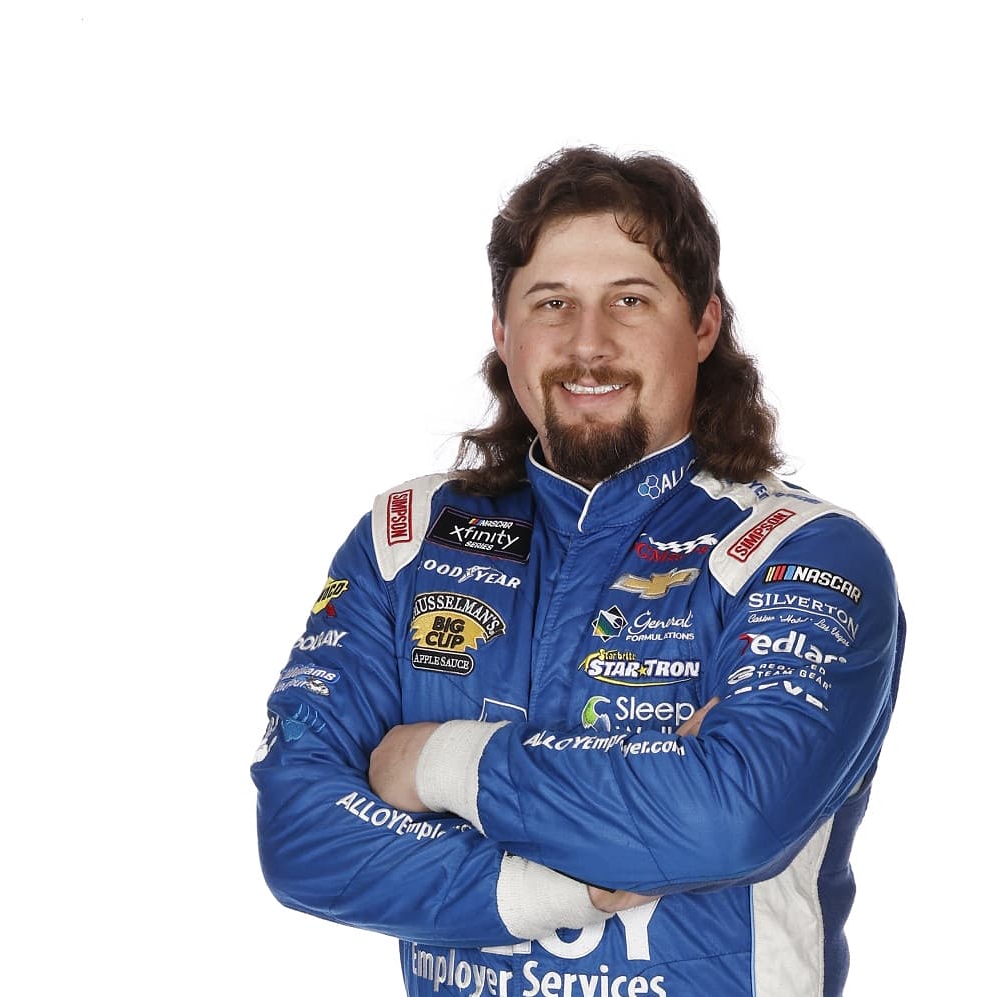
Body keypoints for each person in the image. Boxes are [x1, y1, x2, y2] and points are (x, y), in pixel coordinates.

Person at [252, 146, 906, 997]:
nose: (587, 344)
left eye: (630, 301)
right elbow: (301, 834)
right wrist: (569, 886)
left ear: (704, 324)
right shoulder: (406, 541)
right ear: (502, 331)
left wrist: (435, 764)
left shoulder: (804, 554)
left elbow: (727, 818)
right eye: (551, 302)